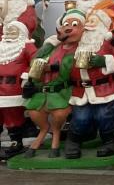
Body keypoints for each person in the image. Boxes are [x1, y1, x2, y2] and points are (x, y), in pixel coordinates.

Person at [64, 5, 114, 159]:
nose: (90, 24)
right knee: (80, 118)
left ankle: (110, 141)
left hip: (106, 88)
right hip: (81, 89)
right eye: (88, 21)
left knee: (104, 116)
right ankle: (73, 140)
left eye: (94, 21)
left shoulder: (111, 42)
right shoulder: (76, 42)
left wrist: (104, 61)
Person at [22, 9, 84, 157]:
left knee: (59, 114)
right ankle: (43, 132)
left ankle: (55, 137)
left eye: (74, 25)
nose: (68, 28)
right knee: (34, 112)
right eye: (65, 24)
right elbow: (34, 65)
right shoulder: (50, 48)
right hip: (42, 91)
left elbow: (74, 71)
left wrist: (54, 68)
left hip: (60, 92)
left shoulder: (80, 50)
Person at [0, 21, 36, 159]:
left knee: (12, 116)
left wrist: (27, 75)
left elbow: (36, 61)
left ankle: (16, 142)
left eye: (13, 30)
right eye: (7, 30)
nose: (9, 33)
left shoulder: (27, 46)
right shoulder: (1, 46)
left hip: (13, 89)